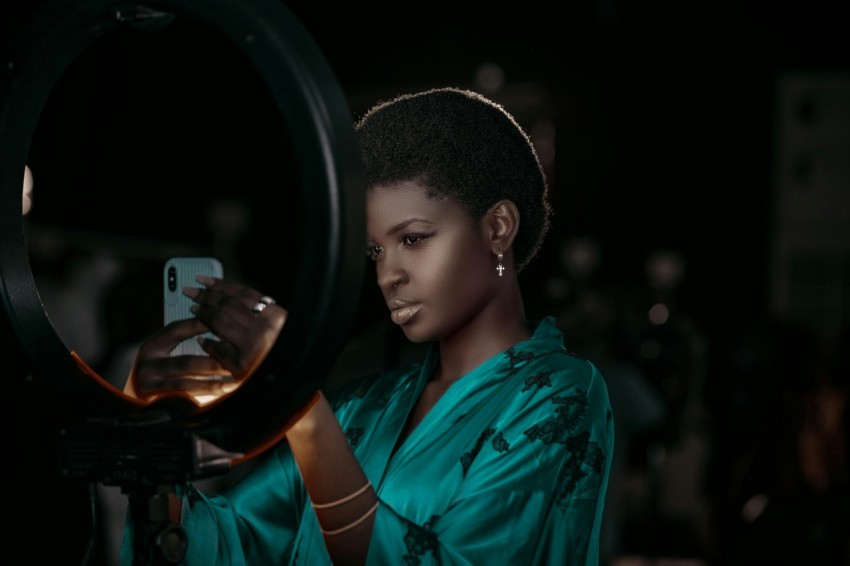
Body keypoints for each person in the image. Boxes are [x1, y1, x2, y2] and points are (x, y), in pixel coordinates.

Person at [121, 87, 614, 565]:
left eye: (415, 238)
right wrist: (153, 434)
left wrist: (302, 404)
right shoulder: (363, 406)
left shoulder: (561, 396)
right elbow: (220, 543)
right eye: (375, 250)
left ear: (498, 227)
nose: (386, 274)